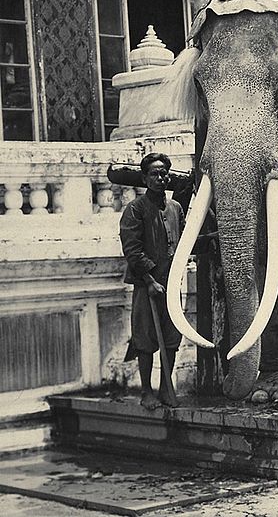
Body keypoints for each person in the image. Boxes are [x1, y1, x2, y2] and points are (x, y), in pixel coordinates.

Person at [120, 153, 184, 409]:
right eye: (154, 174)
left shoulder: (175, 209)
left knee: (171, 339)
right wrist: (148, 280)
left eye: (164, 173)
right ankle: (146, 391)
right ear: (145, 178)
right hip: (147, 286)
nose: (160, 178)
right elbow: (132, 249)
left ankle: (166, 388)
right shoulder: (135, 209)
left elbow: (183, 240)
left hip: (171, 284)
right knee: (145, 340)